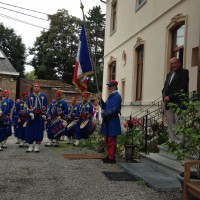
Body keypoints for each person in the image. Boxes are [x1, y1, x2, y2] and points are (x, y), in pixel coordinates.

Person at [162, 57, 189, 143]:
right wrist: (164, 96)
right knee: (170, 123)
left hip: (179, 102)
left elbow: (182, 87)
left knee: (179, 123)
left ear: (179, 63)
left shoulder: (184, 72)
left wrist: (169, 97)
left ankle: (179, 143)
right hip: (168, 103)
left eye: (175, 63)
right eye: (171, 64)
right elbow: (165, 87)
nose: (173, 65)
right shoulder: (169, 74)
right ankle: (171, 141)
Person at [99, 80, 122, 164]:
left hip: (112, 121)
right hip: (107, 121)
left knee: (112, 140)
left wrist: (104, 113)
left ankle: (112, 158)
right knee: (107, 140)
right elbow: (104, 106)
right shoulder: (111, 96)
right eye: (108, 86)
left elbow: (114, 109)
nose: (108, 88)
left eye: (110, 86)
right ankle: (109, 155)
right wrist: (100, 100)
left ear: (115, 87)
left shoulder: (117, 96)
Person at [26, 82, 47, 152]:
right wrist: (30, 113)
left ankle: (37, 147)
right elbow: (27, 106)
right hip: (32, 117)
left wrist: (44, 114)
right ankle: (30, 147)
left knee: (39, 131)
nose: (36, 88)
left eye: (38, 86)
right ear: (33, 87)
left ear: (39, 87)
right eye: (35, 86)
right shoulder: (29, 96)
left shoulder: (43, 96)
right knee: (30, 131)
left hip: (39, 117)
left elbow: (45, 106)